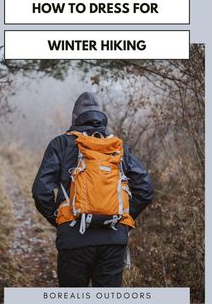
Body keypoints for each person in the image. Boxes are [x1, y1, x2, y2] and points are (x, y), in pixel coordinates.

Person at [32, 92, 154, 287]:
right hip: (114, 238)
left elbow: (41, 191)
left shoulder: (61, 144)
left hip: (73, 238)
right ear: (101, 117)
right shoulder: (117, 147)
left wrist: (60, 220)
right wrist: (122, 218)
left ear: (74, 118)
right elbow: (145, 189)